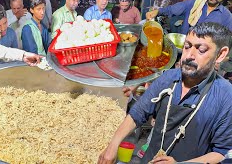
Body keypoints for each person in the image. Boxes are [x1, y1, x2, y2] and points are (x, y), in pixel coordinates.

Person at [99, 22, 232, 164]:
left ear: (220, 54)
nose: (189, 55)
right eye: (187, 46)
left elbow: (221, 152)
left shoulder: (225, 96)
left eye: (201, 50)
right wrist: (113, 145)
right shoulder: (169, 78)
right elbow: (138, 113)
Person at [146, 0, 232, 34]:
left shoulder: (227, 17)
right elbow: (171, 9)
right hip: (185, 49)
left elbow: (227, 40)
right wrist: (158, 11)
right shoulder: (193, 3)